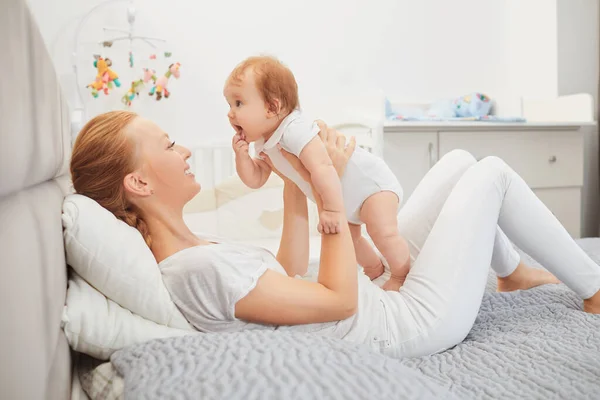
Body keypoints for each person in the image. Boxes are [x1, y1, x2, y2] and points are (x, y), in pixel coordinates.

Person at [70, 110, 600, 359]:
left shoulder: (194, 250)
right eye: (168, 145)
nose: (183, 151)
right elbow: (339, 301)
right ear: (137, 182)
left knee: (461, 161)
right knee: (492, 177)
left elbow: (285, 269)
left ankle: (510, 274)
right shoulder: (193, 271)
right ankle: (594, 289)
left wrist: (296, 178)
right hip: (404, 324)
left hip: (382, 296)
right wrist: (335, 195)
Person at [224, 55, 409, 291]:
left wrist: (331, 210)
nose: (230, 113)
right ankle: (374, 269)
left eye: (238, 103)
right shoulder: (262, 144)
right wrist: (242, 157)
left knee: (383, 233)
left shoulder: (294, 129)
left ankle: (402, 274)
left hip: (372, 188)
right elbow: (256, 179)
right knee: (351, 241)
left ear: (272, 107)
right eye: (229, 105)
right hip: (348, 200)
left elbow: (324, 166)